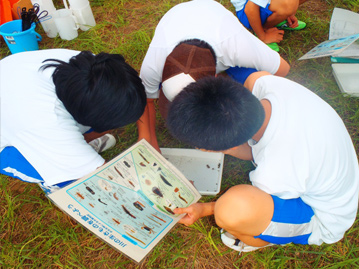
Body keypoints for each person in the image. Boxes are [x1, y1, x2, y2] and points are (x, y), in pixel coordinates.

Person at [166, 72, 359, 252]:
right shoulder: (264, 84)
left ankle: (269, 236)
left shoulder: (277, 171)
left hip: (323, 216)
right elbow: (253, 151)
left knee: (231, 211)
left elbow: (257, 197)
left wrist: (205, 208)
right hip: (328, 169)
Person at [137, 0, 290, 152]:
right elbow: (146, 100)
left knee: (257, 79)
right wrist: (148, 140)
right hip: (178, 20)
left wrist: (239, 107)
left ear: (216, 79)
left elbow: (282, 69)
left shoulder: (235, 45)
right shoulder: (153, 66)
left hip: (214, 20)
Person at [0, 49, 146, 194]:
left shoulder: (98, 70)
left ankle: (78, 150)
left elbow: (131, 95)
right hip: (7, 143)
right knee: (79, 181)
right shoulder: (47, 121)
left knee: (109, 114)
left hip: (14, 85)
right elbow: (106, 179)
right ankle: (57, 180)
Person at [231, 0, 307, 50]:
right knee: (290, 4)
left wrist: (289, 14)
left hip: (259, 5)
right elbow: (250, 9)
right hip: (248, 15)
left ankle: (278, 18)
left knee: (290, 4)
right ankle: (263, 30)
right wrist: (263, 37)